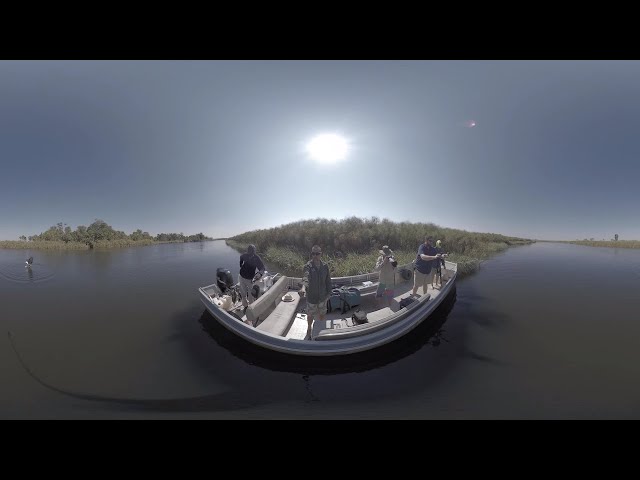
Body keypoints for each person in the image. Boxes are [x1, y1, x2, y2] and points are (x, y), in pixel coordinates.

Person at [299, 245, 332, 340]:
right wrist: (303, 288)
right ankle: (309, 329)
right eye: (313, 253)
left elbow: (328, 281)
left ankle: (319, 327)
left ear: (321, 254)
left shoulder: (325, 266)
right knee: (310, 315)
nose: (315, 256)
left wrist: (329, 293)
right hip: (312, 298)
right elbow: (306, 277)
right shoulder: (308, 266)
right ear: (311, 254)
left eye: (317, 253)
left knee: (322, 313)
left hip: (323, 297)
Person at [238, 244, 265, 313]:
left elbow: (262, 268)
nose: (250, 253)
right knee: (243, 293)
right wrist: (241, 264)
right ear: (248, 251)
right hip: (241, 277)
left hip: (250, 280)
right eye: (249, 251)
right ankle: (245, 306)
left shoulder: (256, 258)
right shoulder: (244, 255)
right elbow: (241, 258)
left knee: (251, 295)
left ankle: (251, 309)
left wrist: (259, 274)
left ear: (254, 251)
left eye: (252, 252)